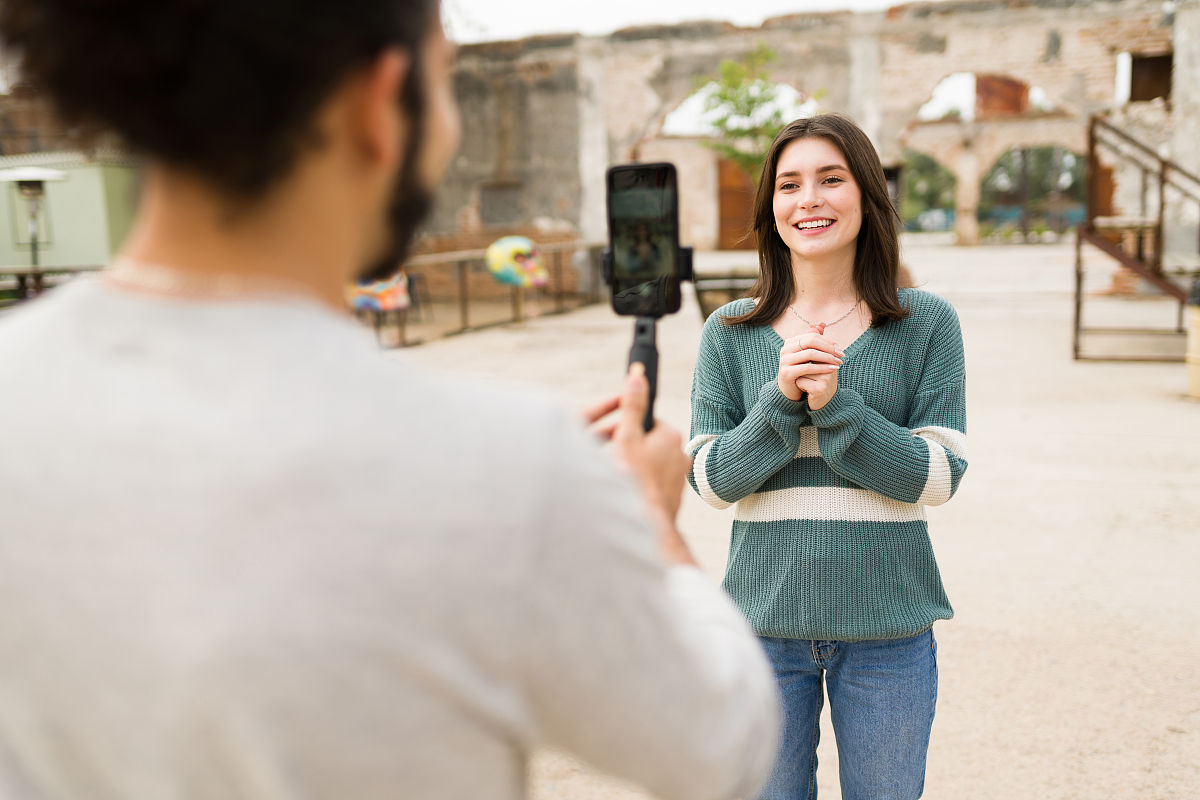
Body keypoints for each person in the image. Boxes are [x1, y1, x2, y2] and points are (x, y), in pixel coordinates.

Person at [0, 1, 780, 798]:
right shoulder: (511, 472)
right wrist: (648, 525)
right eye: (444, 83)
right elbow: (721, 747)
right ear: (380, 101)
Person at [686, 114, 968, 800]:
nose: (807, 199)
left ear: (868, 197)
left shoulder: (925, 321)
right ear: (771, 209)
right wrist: (779, 401)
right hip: (762, 634)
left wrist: (840, 406)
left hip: (890, 633)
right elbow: (711, 482)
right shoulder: (730, 331)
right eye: (789, 185)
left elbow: (936, 477)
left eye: (830, 179)